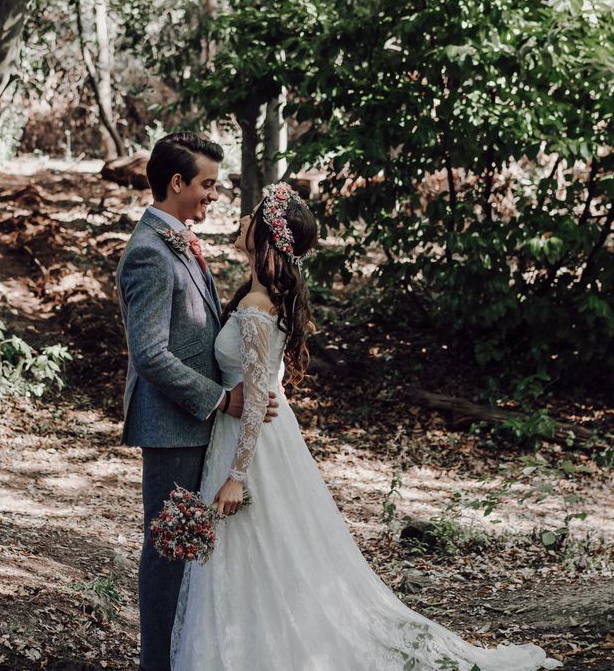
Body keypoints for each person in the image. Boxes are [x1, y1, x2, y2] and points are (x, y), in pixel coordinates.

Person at [170, 182, 562, 671]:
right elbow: (262, 390)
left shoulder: (255, 309)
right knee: (264, 553)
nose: (242, 220)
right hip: (261, 437)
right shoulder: (255, 297)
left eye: (252, 216)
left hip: (252, 449)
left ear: (267, 236)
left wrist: (237, 475)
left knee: (259, 550)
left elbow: (253, 402)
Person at [116, 131, 277, 671]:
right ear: (177, 182)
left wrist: (246, 388)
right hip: (172, 426)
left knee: (187, 551)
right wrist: (223, 400)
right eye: (207, 184)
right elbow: (151, 356)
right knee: (168, 551)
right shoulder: (148, 255)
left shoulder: (178, 239)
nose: (214, 195)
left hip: (196, 424)